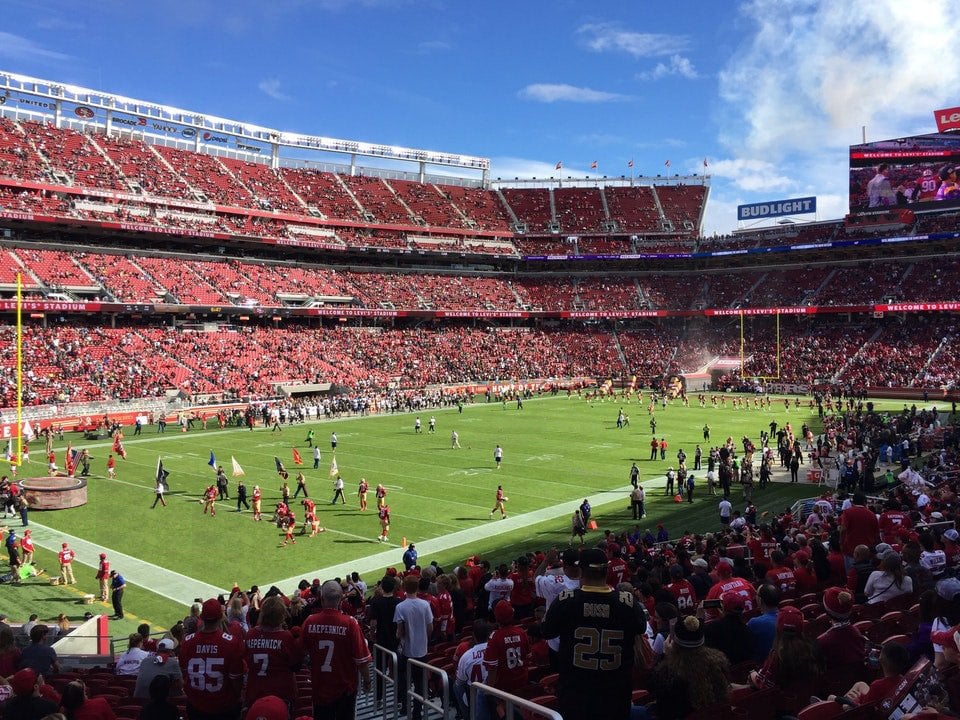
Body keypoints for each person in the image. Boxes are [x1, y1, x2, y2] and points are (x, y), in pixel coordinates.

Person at [541, 548, 649, 720]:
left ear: (581, 571)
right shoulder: (627, 603)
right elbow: (641, 628)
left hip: (576, 694)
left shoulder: (566, 600)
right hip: (615, 695)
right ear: (606, 572)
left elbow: (546, 631)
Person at [179, 599, 244, 720]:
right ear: (221, 617)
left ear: (202, 618)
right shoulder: (231, 642)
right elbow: (236, 679)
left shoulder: (187, 641)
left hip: (196, 705)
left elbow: (184, 673)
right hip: (223, 707)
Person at [747, 606, 822, 695]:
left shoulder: (777, 656)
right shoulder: (812, 648)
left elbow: (763, 685)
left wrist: (752, 674)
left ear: (778, 628)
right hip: (807, 700)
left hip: (785, 705)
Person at [243, 596, 302, 709]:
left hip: (255, 693)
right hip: (280, 694)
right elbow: (296, 666)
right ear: (281, 615)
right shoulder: (285, 637)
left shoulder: (251, 634)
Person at [394, 575, 433, 720]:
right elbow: (430, 627)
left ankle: (405, 707)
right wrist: (423, 639)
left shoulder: (400, 606)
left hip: (407, 651)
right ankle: (417, 711)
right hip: (421, 650)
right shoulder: (425, 605)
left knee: (404, 681)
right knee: (420, 683)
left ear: (404, 587)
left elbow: (399, 632)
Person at [482, 601, 530, 716]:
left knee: (479, 693)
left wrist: (488, 692)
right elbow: (528, 657)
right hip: (522, 682)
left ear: (496, 618)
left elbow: (492, 669)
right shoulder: (522, 632)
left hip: (503, 686)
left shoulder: (495, 637)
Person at [367, 575, 402, 707]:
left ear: (382, 586)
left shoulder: (376, 601)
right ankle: (399, 700)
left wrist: (372, 635)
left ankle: (379, 699)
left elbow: (373, 623)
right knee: (398, 670)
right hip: (395, 640)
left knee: (380, 670)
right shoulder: (398, 602)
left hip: (382, 640)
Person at [453, 621, 490, 720]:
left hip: (474, 694)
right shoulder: (495, 649)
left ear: (474, 635)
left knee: (456, 686)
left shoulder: (466, 656)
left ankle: (467, 716)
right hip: (495, 691)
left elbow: (460, 682)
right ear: (489, 634)